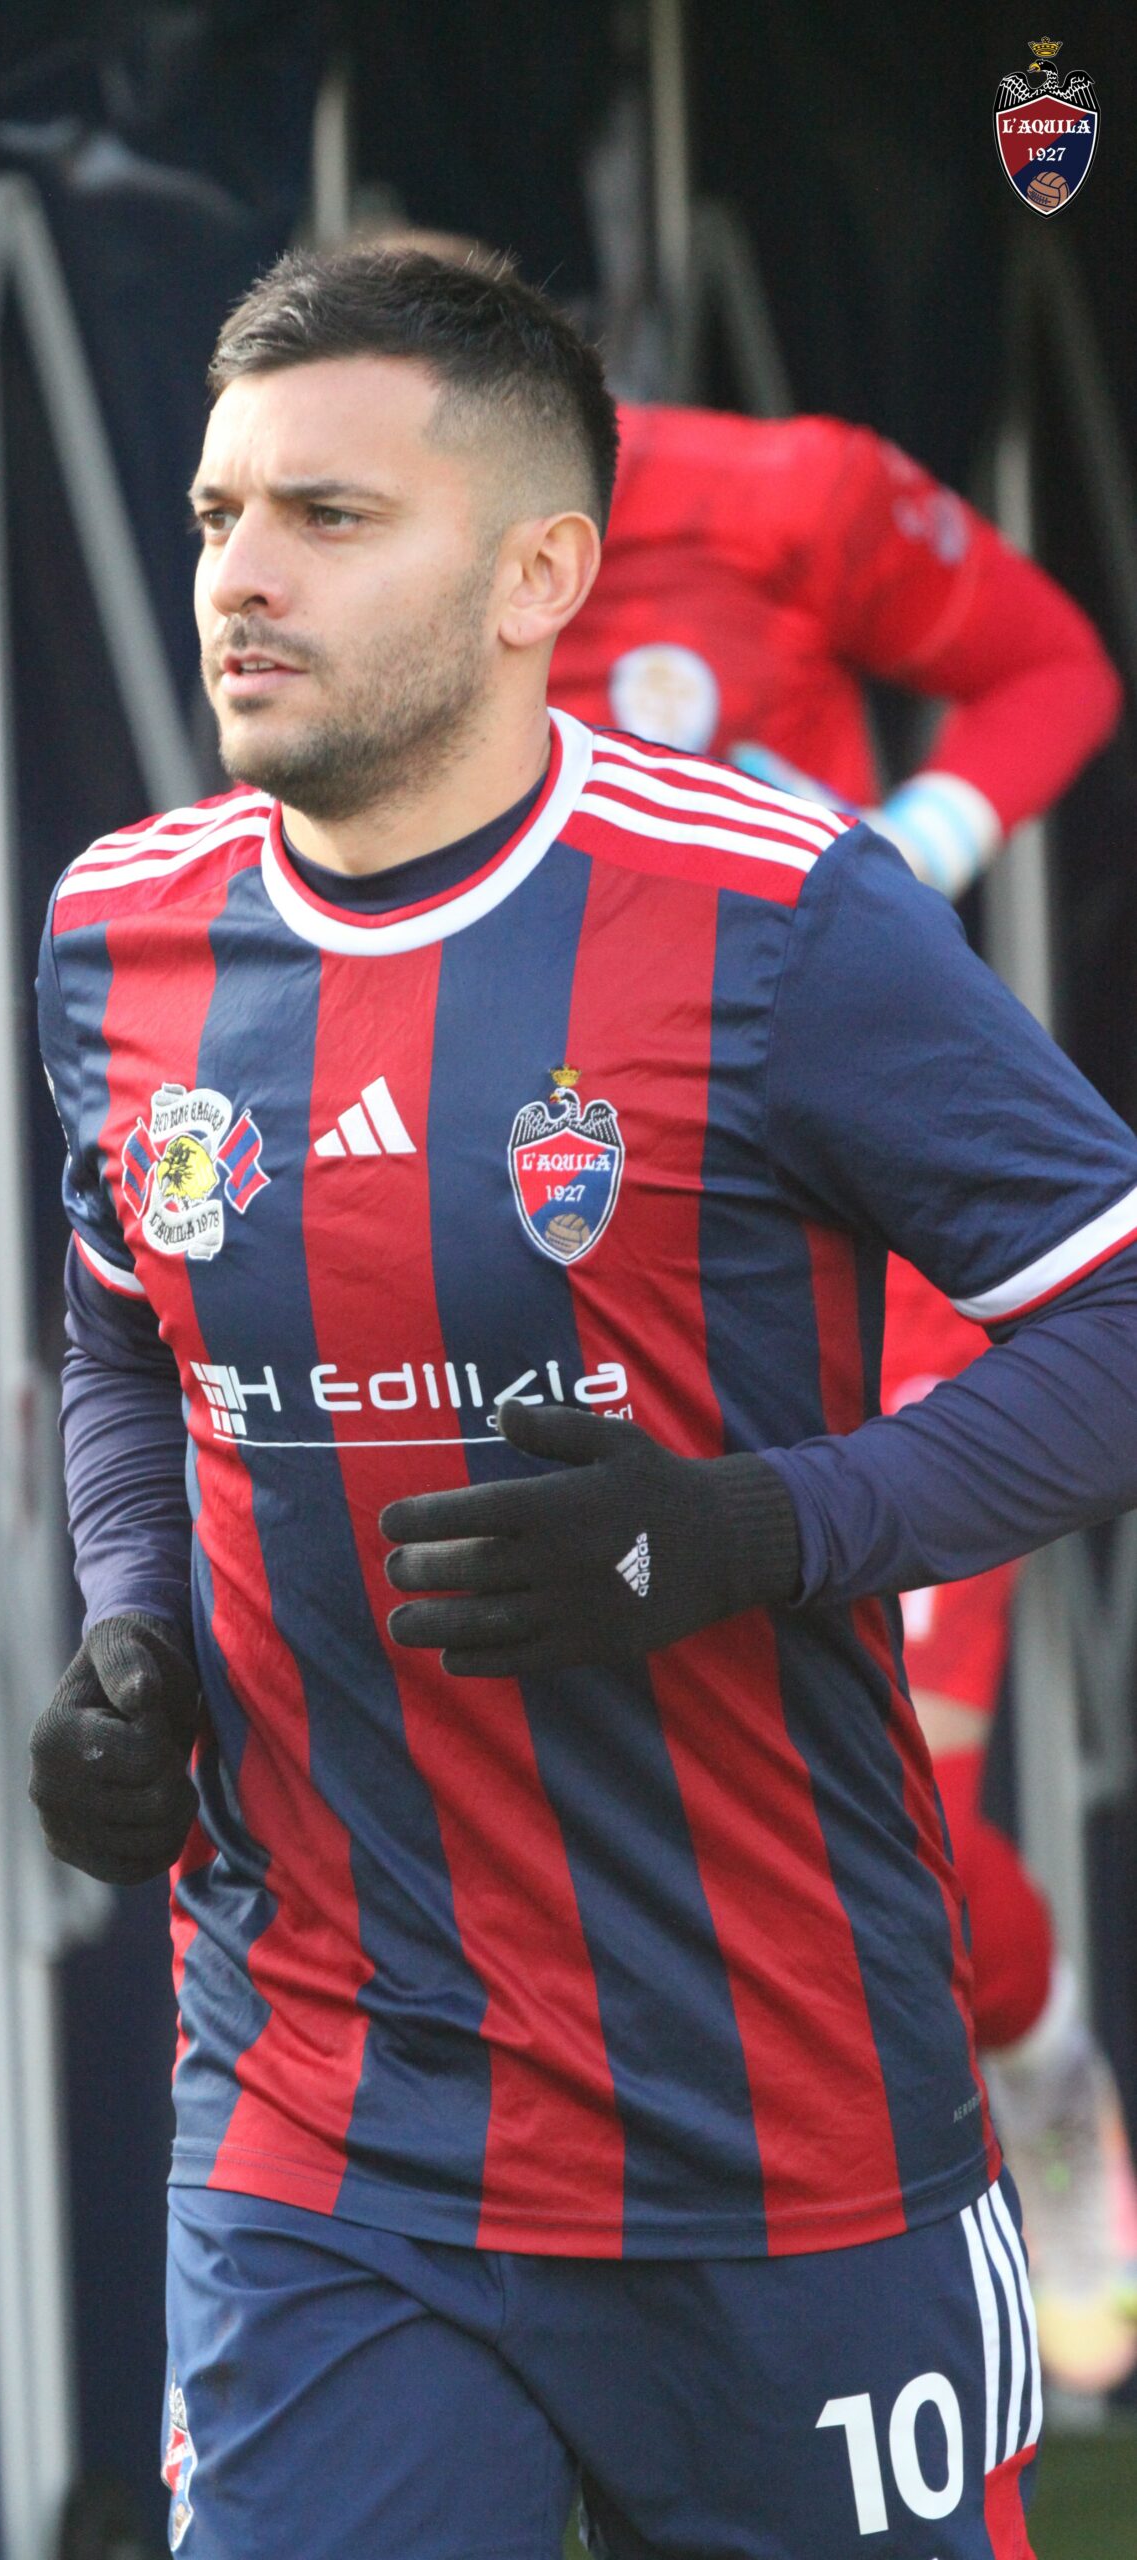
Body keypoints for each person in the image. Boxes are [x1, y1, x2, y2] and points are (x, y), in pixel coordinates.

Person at [32, 248, 1137, 2558]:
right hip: (318, 2103)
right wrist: (132, 1620)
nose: (240, 574)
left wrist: (749, 1525)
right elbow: (123, 1331)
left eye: (328, 517)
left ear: (540, 572)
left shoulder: (778, 915)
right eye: (221, 512)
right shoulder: (117, 931)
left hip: (772, 2116)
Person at [545, 395, 1136, 2393]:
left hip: (868, 1275)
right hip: (612, 1291)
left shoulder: (778, 492)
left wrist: (924, 839)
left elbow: (1052, 668)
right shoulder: (377, 634)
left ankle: (1033, 2060)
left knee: (904, 1810)